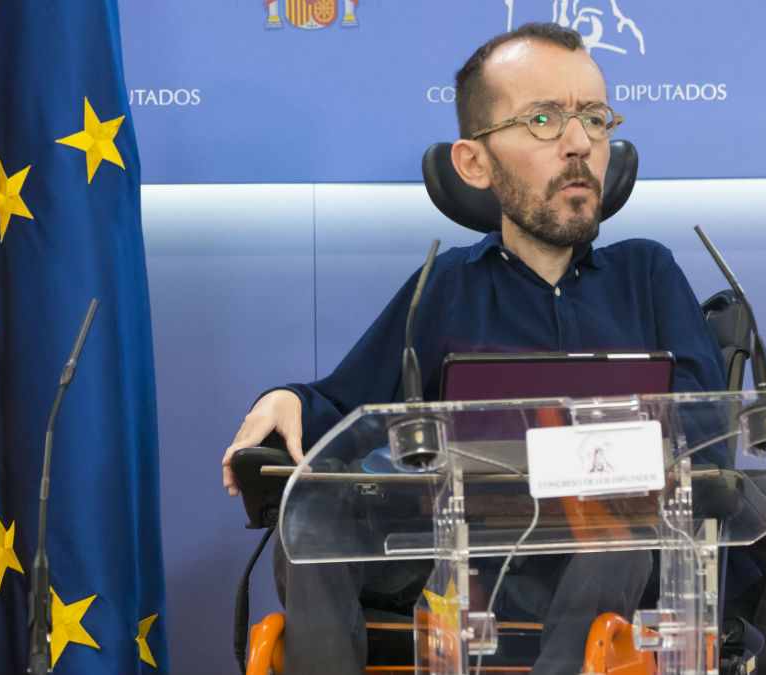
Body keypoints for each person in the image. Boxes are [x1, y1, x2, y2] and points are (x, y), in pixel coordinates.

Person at [221, 22, 726, 674]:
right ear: (474, 162)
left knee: (618, 531)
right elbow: (343, 408)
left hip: (617, 575)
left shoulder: (647, 275)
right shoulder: (447, 286)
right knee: (310, 524)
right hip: (470, 569)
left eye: (595, 119)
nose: (579, 144)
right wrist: (287, 397)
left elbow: (710, 425)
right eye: (544, 119)